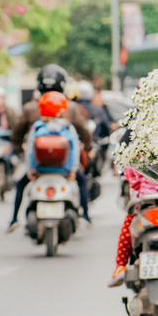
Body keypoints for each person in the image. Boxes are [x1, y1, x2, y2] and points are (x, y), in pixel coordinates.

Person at [11, 64, 92, 228]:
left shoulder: (30, 110)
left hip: (38, 169)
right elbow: (82, 137)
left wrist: (20, 151)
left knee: (20, 185)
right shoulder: (71, 108)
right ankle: (86, 215)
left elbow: (18, 136)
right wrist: (87, 151)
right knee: (83, 181)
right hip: (65, 170)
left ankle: (14, 219)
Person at [108, 167, 158, 287]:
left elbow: (134, 181)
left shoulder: (138, 153)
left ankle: (120, 266)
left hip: (147, 200)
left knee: (127, 227)